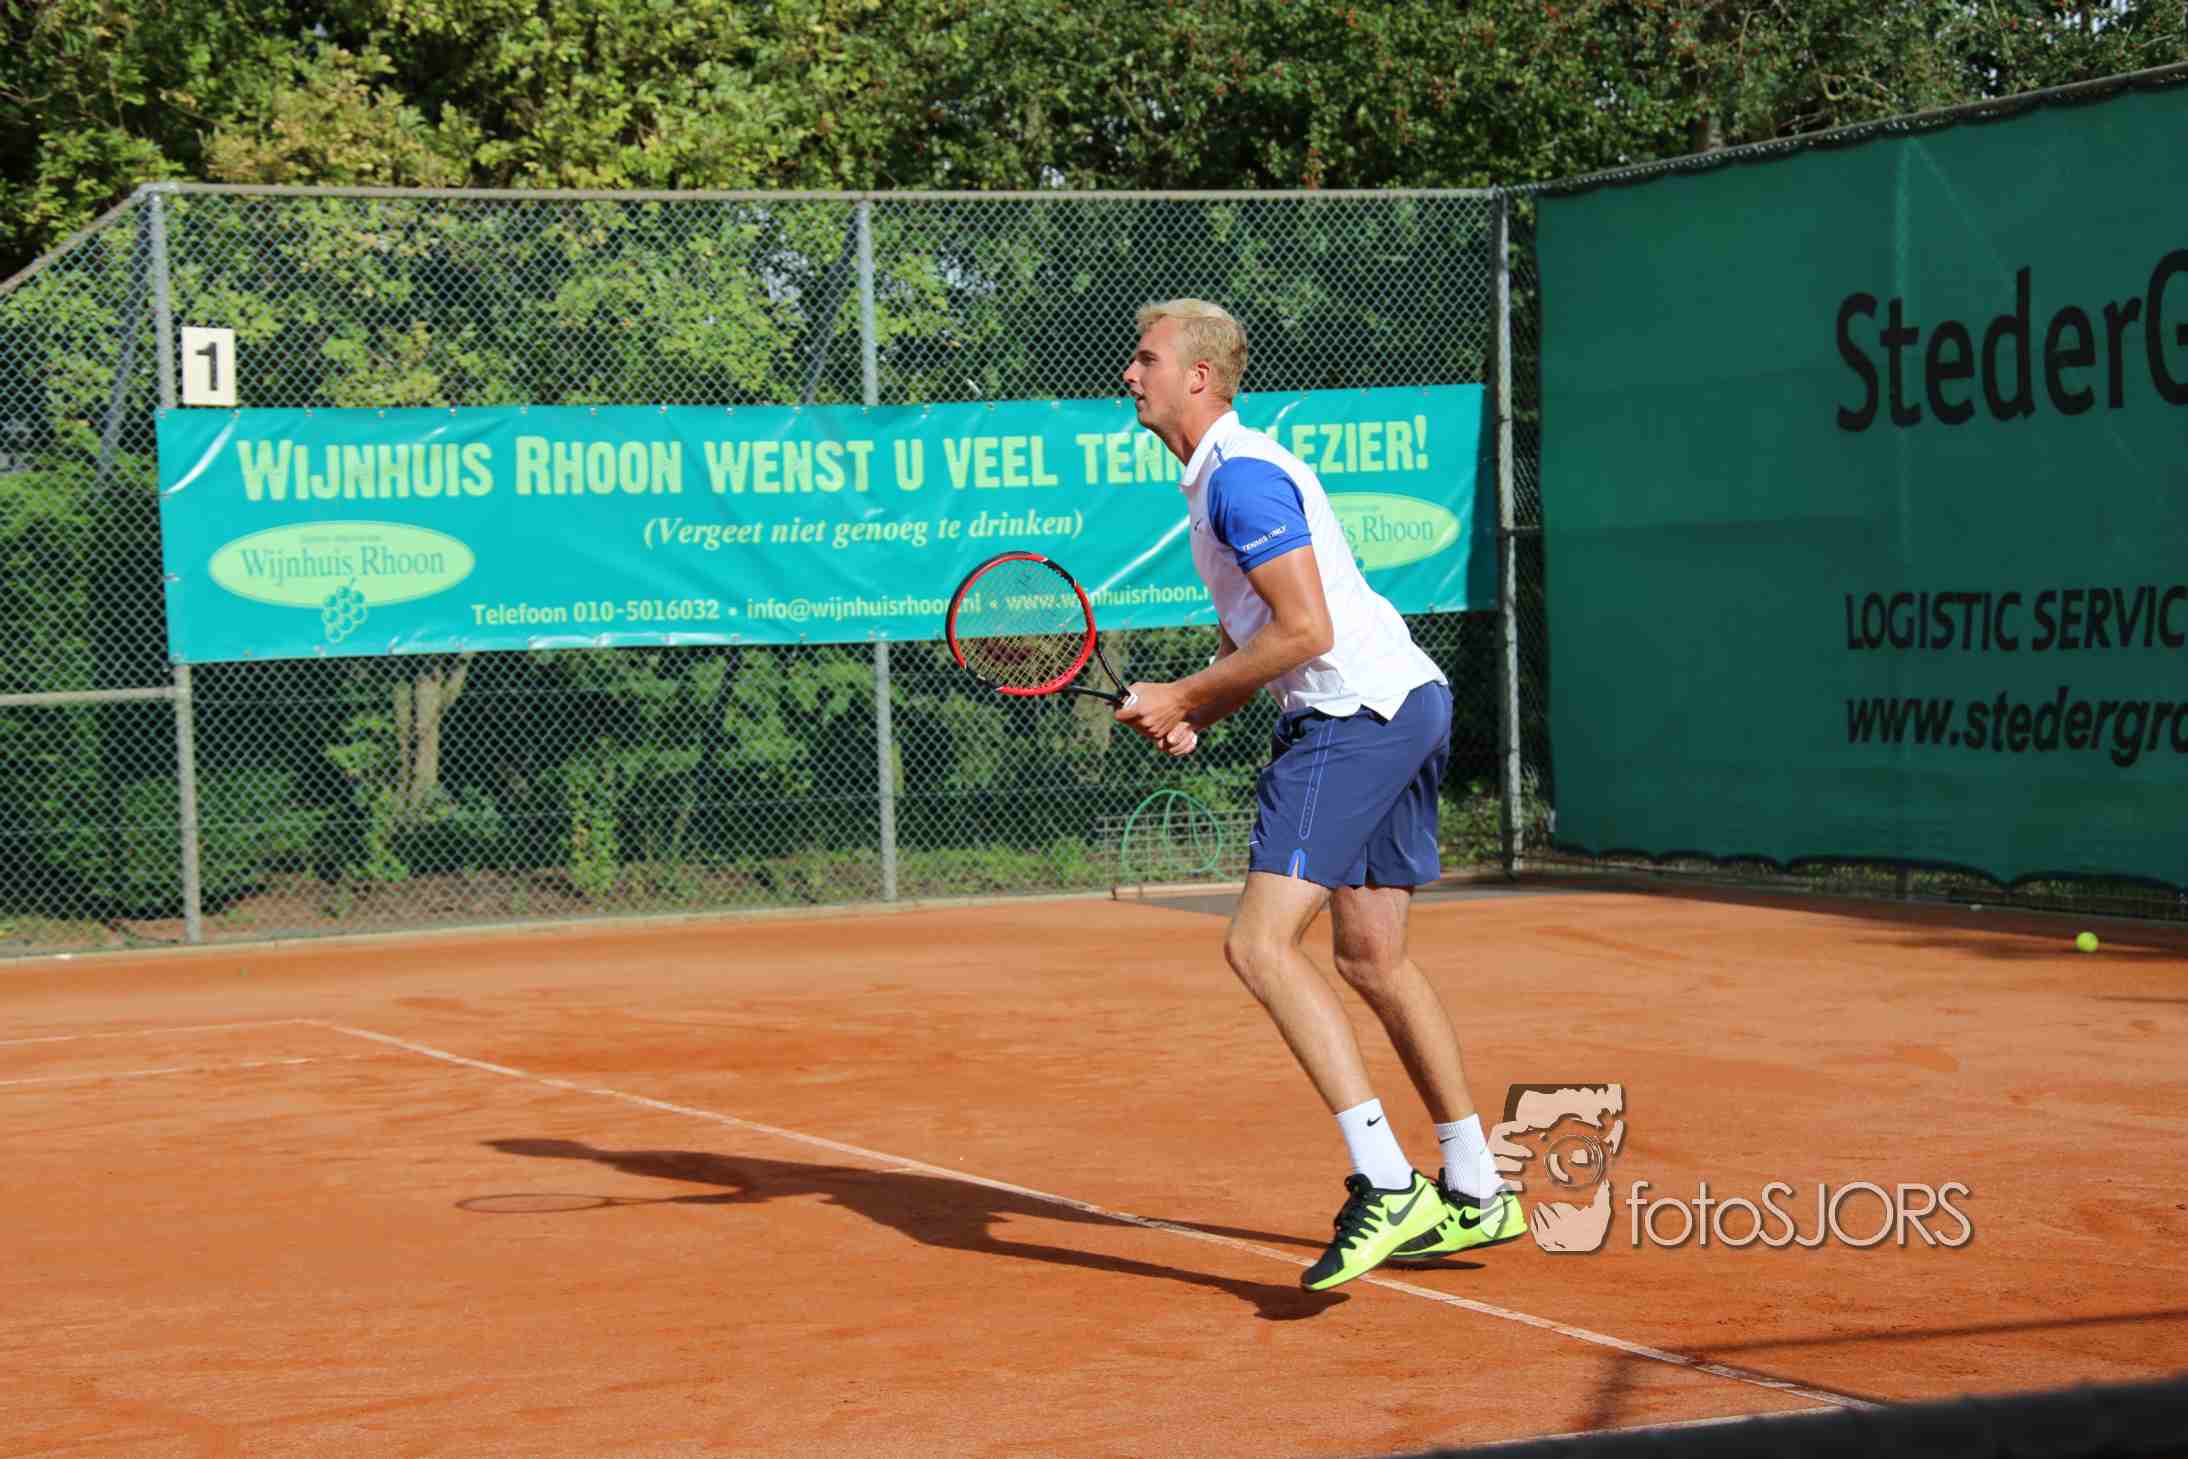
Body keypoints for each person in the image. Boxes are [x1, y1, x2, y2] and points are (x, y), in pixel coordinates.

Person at [1113, 298, 1524, 1292]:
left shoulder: (1241, 477)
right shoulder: (1217, 479)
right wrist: (1203, 706)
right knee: (1373, 958)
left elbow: (1306, 632)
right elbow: (1257, 629)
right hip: (1406, 699)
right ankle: (1476, 1185)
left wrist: (1184, 693)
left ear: (1198, 376)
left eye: (1146, 358)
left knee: (1258, 944)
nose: (1130, 375)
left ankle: (1386, 1182)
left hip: (1352, 716)